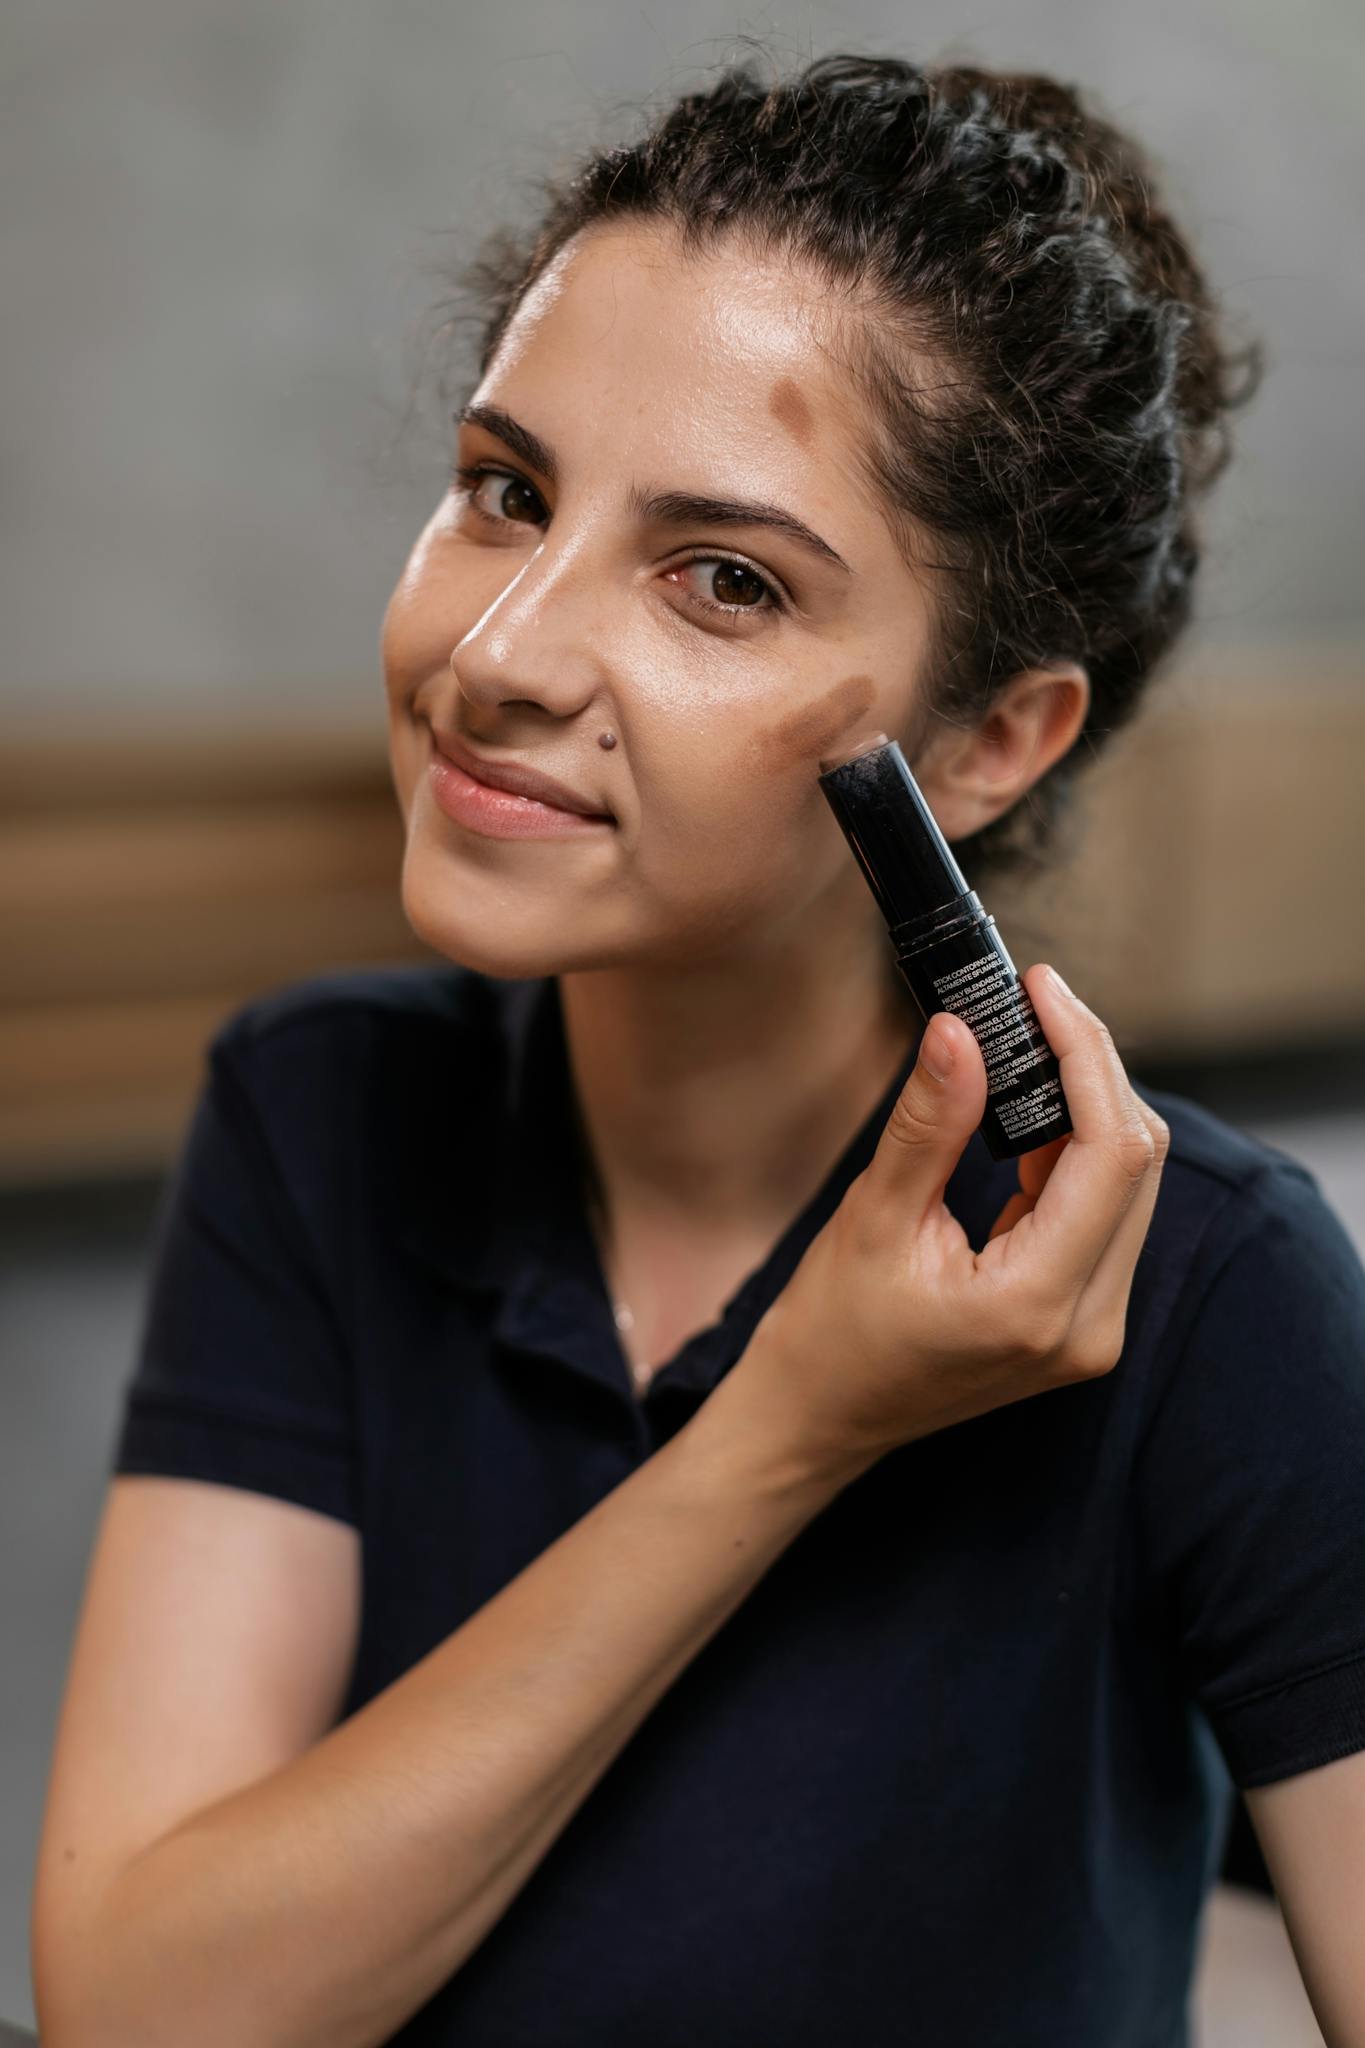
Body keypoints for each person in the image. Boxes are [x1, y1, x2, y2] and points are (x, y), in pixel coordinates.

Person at [32, 48, 1365, 2048]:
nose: (499, 657)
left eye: (720, 580)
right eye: (504, 493)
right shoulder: (324, 1119)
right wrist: (787, 1427)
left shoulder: (1204, 1290)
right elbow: (146, 2006)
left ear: (990, 741)